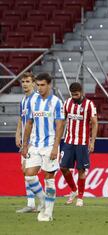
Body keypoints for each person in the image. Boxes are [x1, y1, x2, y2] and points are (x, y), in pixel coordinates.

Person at [22, 73, 65, 221]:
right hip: (35, 144)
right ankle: (43, 201)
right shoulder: (32, 101)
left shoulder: (56, 102)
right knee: (29, 175)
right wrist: (25, 144)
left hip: (49, 145)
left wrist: (55, 147)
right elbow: (28, 123)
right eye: (38, 85)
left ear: (49, 85)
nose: (39, 88)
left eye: (42, 85)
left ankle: (48, 213)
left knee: (49, 178)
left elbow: (60, 125)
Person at [60, 82, 98, 207]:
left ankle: (80, 197)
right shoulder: (67, 103)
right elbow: (62, 121)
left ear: (81, 92)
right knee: (63, 167)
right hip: (69, 141)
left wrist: (92, 142)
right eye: (72, 95)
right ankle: (73, 190)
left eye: (76, 94)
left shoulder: (89, 105)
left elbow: (94, 123)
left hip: (82, 143)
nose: (74, 97)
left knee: (81, 170)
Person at [15, 72, 43, 213]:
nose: (25, 84)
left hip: (35, 141)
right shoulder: (23, 101)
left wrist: (33, 140)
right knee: (25, 171)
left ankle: (41, 201)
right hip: (26, 141)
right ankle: (32, 203)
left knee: (29, 171)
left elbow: (39, 120)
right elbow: (21, 118)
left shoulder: (37, 99)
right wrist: (18, 134)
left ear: (33, 83)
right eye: (23, 81)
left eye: (27, 81)